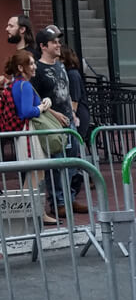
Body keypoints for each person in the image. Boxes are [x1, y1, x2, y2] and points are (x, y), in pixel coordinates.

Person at [33, 26, 85, 218]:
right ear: (43, 46)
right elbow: (36, 99)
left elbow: (66, 92)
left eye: (58, 41)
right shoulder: (37, 69)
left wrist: (72, 112)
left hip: (69, 121)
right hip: (53, 124)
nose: (58, 45)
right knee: (56, 165)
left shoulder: (61, 66)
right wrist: (55, 114)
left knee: (71, 163)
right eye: (54, 42)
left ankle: (69, 198)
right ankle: (58, 202)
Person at [3, 49, 52, 206]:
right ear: (20, 67)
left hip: (25, 133)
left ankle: (34, 210)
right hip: (29, 133)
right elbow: (26, 112)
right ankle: (31, 210)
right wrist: (42, 108)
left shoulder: (17, 85)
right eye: (30, 63)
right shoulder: (25, 85)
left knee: (36, 173)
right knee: (36, 173)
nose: (34, 66)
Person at [61, 45, 92, 145]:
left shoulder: (72, 74)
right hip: (78, 113)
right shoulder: (70, 73)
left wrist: (73, 114)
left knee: (76, 143)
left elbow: (75, 98)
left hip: (78, 113)